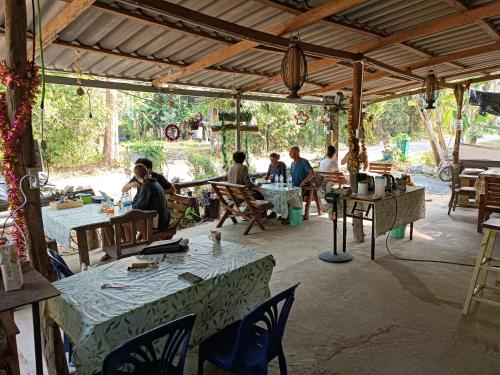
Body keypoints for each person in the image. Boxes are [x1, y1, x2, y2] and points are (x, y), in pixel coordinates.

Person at [132, 164, 170, 230]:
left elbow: (139, 207)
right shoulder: (155, 182)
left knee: (125, 222)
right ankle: (134, 240)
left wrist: (131, 204)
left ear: (137, 177)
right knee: (127, 222)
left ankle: (132, 240)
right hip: (165, 219)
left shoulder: (147, 186)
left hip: (158, 223)